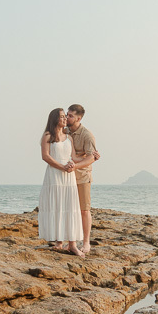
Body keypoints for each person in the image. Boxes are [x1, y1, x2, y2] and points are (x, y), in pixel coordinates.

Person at [38, 108, 85, 257]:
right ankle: (59, 240)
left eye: (66, 117)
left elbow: (73, 157)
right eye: (62, 117)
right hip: (54, 175)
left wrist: (87, 159)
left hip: (68, 176)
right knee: (57, 206)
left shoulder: (68, 137)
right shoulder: (47, 136)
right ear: (54, 119)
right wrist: (62, 167)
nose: (65, 119)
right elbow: (45, 156)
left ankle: (72, 244)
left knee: (70, 206)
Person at [66, 104, 99, 254]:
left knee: (84, 210)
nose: (67, 118)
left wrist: (76, 167)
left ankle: (86, 243)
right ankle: (68, 241)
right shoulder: (64, 131)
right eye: (67, 114)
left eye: (71, 116)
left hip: (82, 176)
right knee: (68, 209)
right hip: (66, 176)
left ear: (79, 118)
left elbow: (92, 157)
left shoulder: (87, 135)